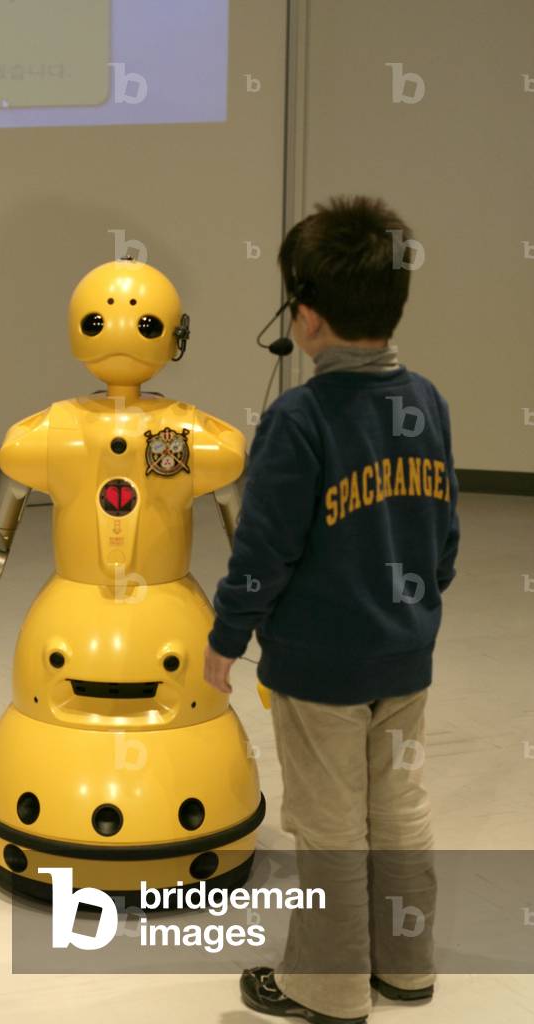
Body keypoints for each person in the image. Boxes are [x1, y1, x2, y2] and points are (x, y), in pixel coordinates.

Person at [203, 195, 460, 1023]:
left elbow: (262, 551)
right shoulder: (428, 401)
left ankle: (329, 987)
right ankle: (407, 967)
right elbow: (444, 535)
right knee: (399, 809)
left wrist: (225, 639)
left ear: (303, 318)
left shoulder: (297, 420)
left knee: (327, 827)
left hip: (319, 669)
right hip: (403, 659)